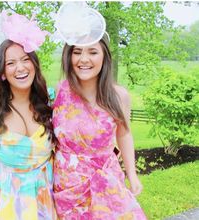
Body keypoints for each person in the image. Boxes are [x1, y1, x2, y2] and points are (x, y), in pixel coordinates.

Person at [0, 12, 57, 220]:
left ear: (34, 64)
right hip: (6, 200)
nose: (21, 68)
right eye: (11, 63)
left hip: (44, 198)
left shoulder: (50, 102)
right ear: (3, 73)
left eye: (26, 60)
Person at [52, 29, 147, 220]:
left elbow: (124, 134)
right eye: (77, 52)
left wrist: (132, 175)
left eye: (92, 52)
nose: (84, 59)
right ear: (69, 56)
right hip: (67, 186)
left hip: (105, 182)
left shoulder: (118, 96)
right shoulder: (60, 90)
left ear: (104, 56)